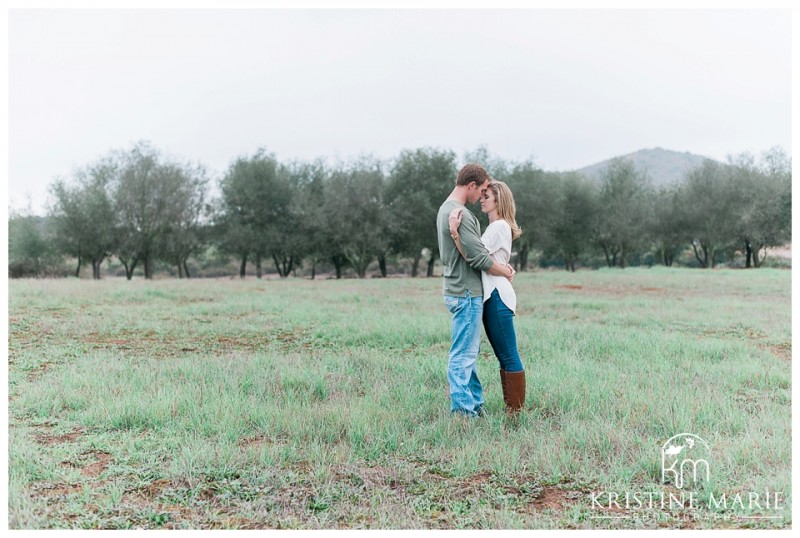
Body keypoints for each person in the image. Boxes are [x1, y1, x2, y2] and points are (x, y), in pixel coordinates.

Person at [437, 164, 516, 417]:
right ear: (471, 186)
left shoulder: (444, 210)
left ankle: (476, 406)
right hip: (467, 291)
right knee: (463, 355)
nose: (480, 196)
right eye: (481, 190)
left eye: (486, 194)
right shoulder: (461, 214)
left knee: (469, 354)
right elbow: (478, 257)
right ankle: (464, 413)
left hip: (456, 288)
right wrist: (505, 270)